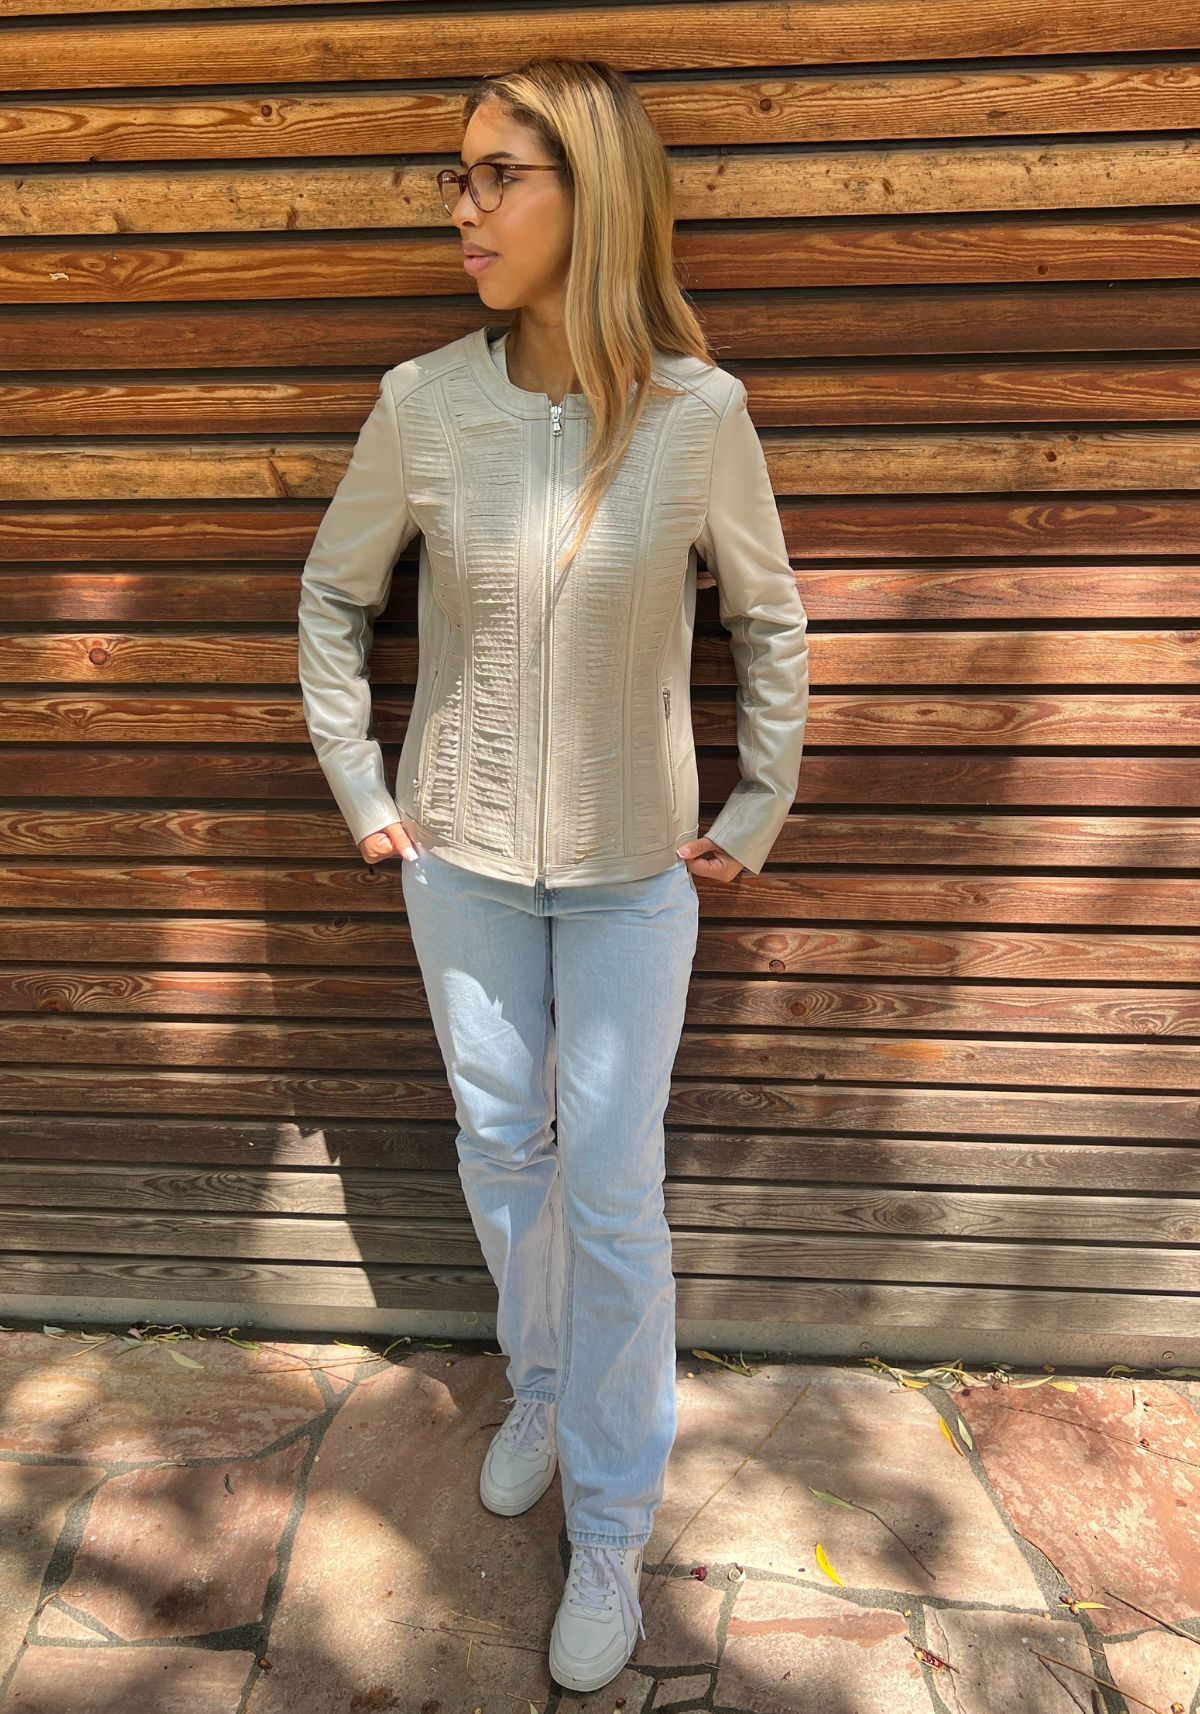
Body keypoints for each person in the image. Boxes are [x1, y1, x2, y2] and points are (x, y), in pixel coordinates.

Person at [296, 56, 809, 1695]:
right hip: (454, 856)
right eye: (457, 176)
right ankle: (535, 1379)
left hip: (630, 869)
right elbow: (332, 597)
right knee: (501, 1142)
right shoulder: (421, 402)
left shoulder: (698, 416)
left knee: (613, 1190)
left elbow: (770, 619)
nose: (464, 207)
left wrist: (756, 806)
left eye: (497, 175)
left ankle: (611, 1521)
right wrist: (363, 785)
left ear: (592, 196)